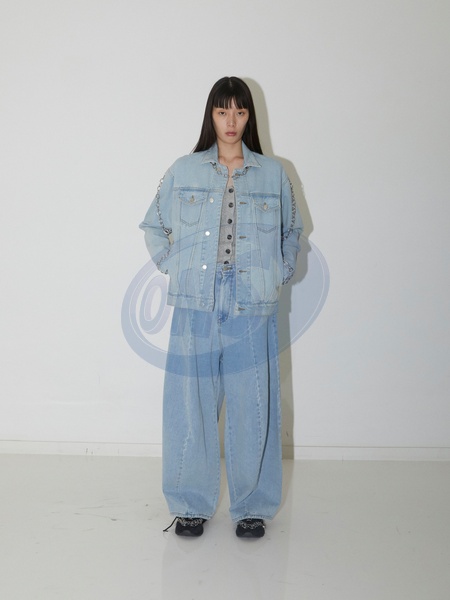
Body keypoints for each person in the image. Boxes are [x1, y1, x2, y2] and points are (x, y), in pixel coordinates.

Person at [139, 76, 303, 538]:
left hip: (253, 301)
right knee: (189, 402)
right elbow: (153, 224)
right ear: (210, 115)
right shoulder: (184, 169)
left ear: (250, 117)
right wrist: (175, 266)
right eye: (222, 110)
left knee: (254, 403)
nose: (231, 121)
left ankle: (252, 507)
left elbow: (293, 231)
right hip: (196, 299)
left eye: (240, 111)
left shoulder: (273, 173)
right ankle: (190, 504)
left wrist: (279, 271)